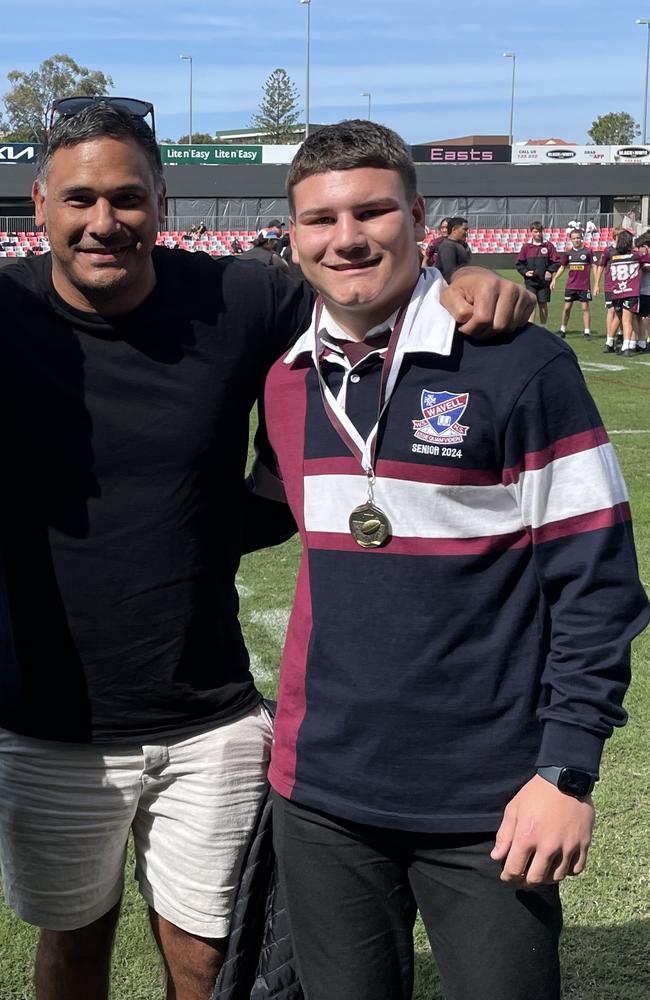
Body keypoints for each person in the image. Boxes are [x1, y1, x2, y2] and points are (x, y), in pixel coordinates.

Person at [0, 102, 533, 1000]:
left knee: (209, 956)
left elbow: (361, 290)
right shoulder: (3, 313)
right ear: (39, 203)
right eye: (80, 199)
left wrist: (465, 271)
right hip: (49, 722)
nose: (104, 222)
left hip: (208, 711)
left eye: (128, 197)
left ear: (162, 201)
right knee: (73, 945)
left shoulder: (240, 293)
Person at [255, 119, 649, 1000]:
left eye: (371, 211)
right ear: (292, 234)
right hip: (319, 790)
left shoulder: (522, 363)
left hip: (490, 799)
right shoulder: (283, 379)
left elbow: (598, 584)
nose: (345, 238)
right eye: (319, 219)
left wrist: (566, 771)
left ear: (420, 216)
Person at [596, 229, 645, 357]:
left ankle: (610, 343)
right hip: (631, 292)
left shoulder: (613, 257)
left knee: (618, 318)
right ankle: (626, 346)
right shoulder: (636, 255)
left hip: (616, 291)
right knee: (627, 320)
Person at [550, 228, 595, 339]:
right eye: (574, 238)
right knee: (566, 308)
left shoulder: (588, 252)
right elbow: (562, 267)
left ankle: (587, 331)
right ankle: (563, 329)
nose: (576, 240)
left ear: (581, 238)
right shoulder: (568, 253)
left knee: (585, 308)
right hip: (571, 285)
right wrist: (555, 279)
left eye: (578, 238)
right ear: (570, 239)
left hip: (584, 286)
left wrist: (597, 283)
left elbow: (594, 266)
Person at [516, 221, 560, 326]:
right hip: (530, 282)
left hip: (544, 282)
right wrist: (526, 272)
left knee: (543, 304)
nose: (538, 234)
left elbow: (556, 261)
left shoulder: (548, 246)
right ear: (531, 232)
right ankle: (531, 328)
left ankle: (543, 327)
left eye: (539, 232)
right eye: (535, 232)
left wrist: (549, 271)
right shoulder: (526, 247)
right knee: (531, 304)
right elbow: (519, 263)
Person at [593, 227, 623, 353]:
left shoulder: (626, 250)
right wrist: (596, 284)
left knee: (622, 312)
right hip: (610, 285)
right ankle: (609, 338)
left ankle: (620, 335)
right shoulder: (608, 250)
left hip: (623, 285)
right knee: (611, 311)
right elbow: (600, 266)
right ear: (614, 237)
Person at [435, 216, 471, 282]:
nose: (466, 233)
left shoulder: (458, 245)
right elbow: (449, 274)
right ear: (454, 229)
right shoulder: (447, 246)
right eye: (464, 229)